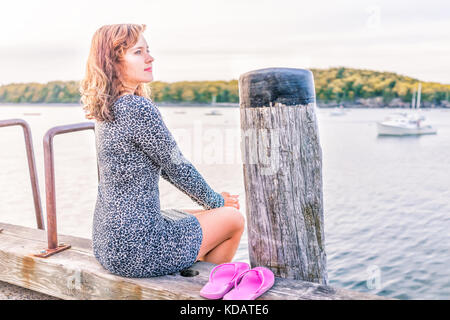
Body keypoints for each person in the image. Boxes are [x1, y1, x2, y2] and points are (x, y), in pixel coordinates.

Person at [80, 24, 244, 278]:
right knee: (232, 219)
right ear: (113, 62)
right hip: (138, 250)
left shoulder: (107, 108)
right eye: (138, 52)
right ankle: (205, 287)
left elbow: (164, 164)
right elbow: (176, 166)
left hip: (108, 243)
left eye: (148, 50)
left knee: (210, 213)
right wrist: (217, 202)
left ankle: (192, 266)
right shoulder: (136, 108)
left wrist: (212, 204)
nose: (150, 57)